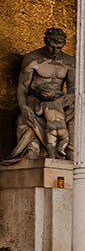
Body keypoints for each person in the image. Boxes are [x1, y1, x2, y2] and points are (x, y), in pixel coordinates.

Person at [4, 27, 74, 163]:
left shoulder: (69, 62)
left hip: (60, 101)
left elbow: (72, 88)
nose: (55, 51)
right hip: (36, 100)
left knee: (80, 113)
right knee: (27, 118)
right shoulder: (32, 59)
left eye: (59, 47)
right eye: (52, 46)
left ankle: (70, 152)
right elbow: (23, 87)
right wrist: (23, 106)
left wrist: (66, 101)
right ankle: (33, 150)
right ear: (45, 41)